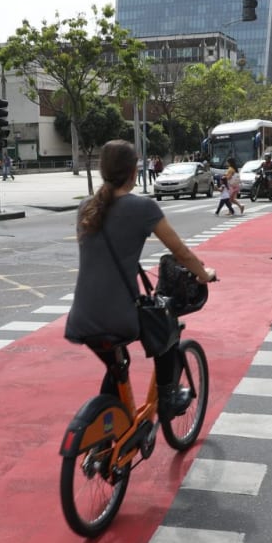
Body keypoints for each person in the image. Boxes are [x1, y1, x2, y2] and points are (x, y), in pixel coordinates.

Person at [65, 139, 216, 416]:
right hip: (118, 317)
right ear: (134, 172)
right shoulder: (142, 208)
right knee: (166, 325)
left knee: (117, 367)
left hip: (81, 316)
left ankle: (108, 436)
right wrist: (204, 274)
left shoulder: (86, 206)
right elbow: (180, 252)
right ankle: (169, 397)